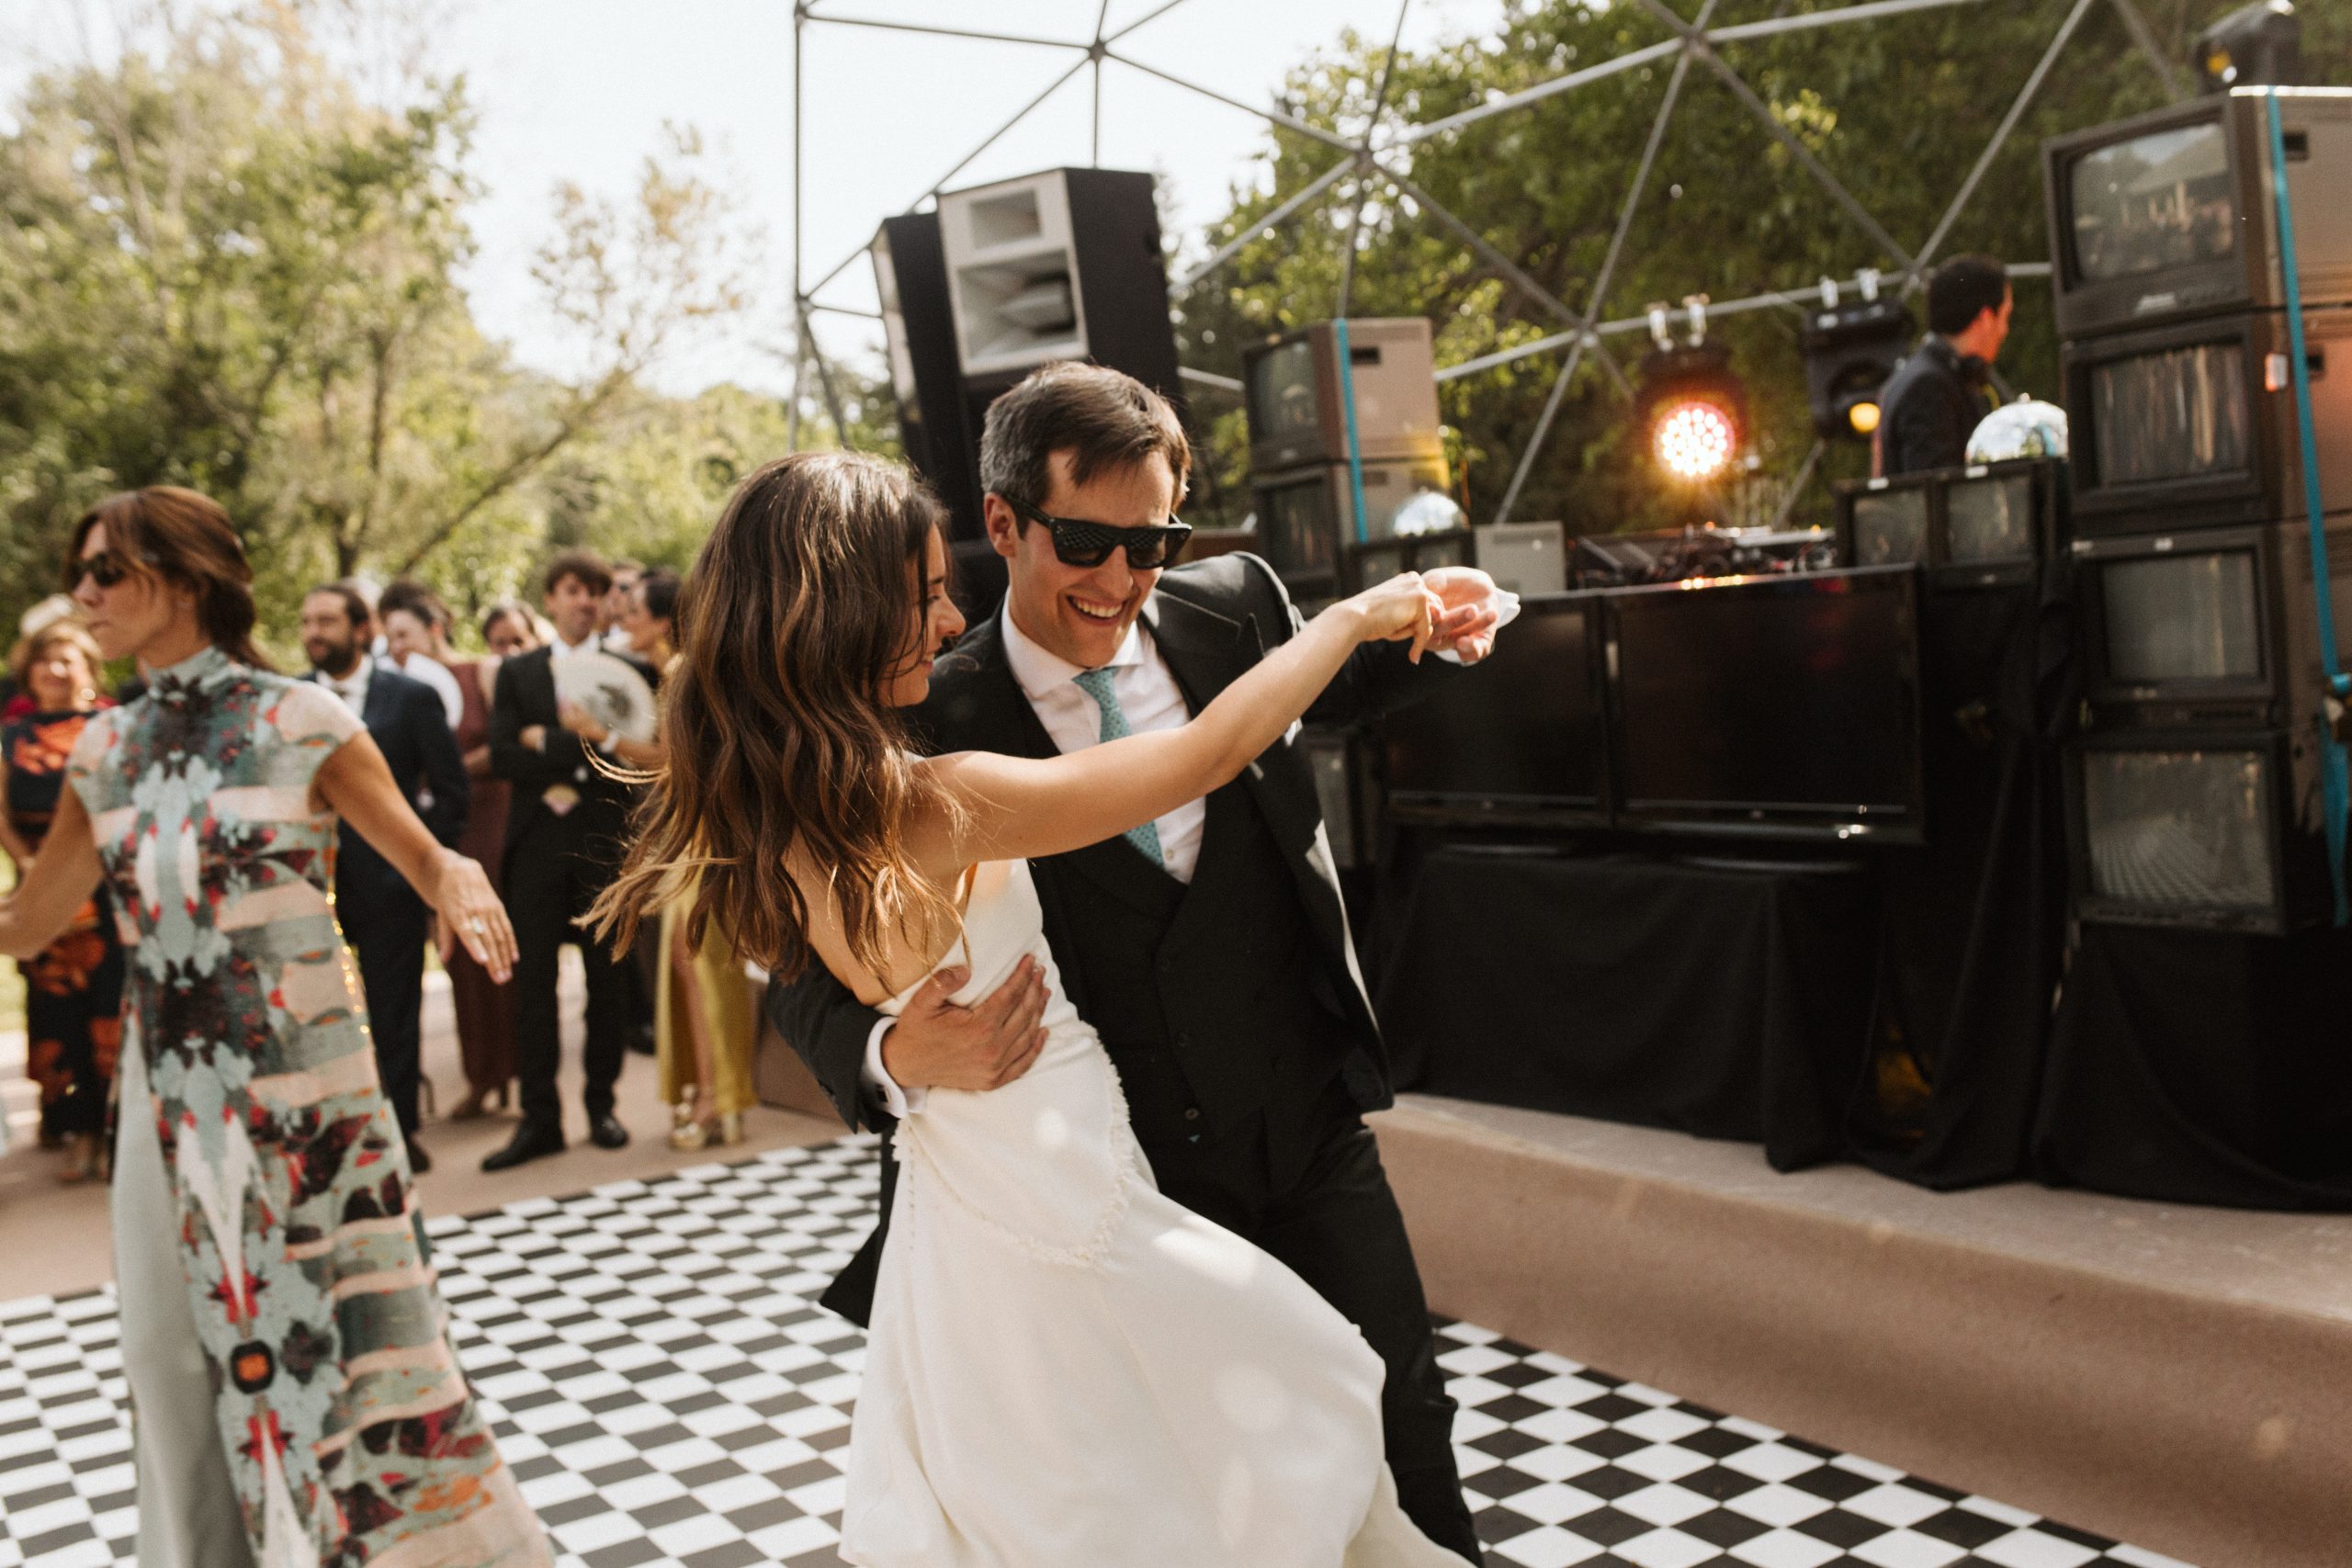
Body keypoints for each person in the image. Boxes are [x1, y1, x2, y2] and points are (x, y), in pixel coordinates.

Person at [592, 447, 1494, 1566]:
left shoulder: (773, 815)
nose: (948, 615)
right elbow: (1205, 753)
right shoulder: (934, 795)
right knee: (1286, 1442)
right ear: (843, 613)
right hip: (1070, 1202)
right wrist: (1355, 613)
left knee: (1105, 1502)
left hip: (975, 1216)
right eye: (924, 593)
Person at [0, 486, 545, 1568]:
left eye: (106, 570)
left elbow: (421, 850)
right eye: (81, 573)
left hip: (304, 1082)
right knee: (164, 1352)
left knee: (344, 1341)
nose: (84, 594)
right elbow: (29, 923)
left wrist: (456, 877)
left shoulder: (299, 718)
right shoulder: (103, 749)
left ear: (183, 578)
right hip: (166, 1087)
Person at [481, 550, 657, 1171]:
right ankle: (540, 1119)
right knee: (534, 989)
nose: (584, 601)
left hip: (603, 846)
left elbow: (639, 753)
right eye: (573, 589)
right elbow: (502, 754)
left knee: (606, 984)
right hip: (535, 848)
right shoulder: (518, 672)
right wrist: (574, 743)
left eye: (595, 591)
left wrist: (547, 741)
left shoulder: (629, 670)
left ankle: (601, 1106)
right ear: (552, 598)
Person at [300, 581, 468, 1171]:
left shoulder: (411, 697)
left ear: (361, 630)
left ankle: (398, 1133)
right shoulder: (294, 701)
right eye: (307, 622)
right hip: (310, 890)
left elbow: (450, 792)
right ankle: (334, 1132)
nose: (314, 633)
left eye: (326, 621)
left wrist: (422, 871)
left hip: (390, 888)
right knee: (320, 1013)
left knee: (394, 1012)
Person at [385, 581, 518, 1121]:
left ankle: (521, 1072)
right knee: (460, 955)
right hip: (444, 829)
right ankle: (481, 1075)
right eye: (389, 637)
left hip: (493, 821)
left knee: (504, 942)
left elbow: (506, 746)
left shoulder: (481, 672)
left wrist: (448, 769)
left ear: (434, 629)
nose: (395, 646)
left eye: (404, 634)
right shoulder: (399, 692)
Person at [0, 615, 123, 1180]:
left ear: (89, 669)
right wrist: (33, 867)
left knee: (110, 1005)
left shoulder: (113, 727)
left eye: (66, 659)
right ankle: (77, 1129)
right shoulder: (12, 736)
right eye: (44, 660)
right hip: (42, 890)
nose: (53, 670)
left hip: (107, 890)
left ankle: (116, 1132)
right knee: (57, 1010)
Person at [1877, 253, 2013, 476]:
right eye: (2005, 316)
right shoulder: (1929, 386)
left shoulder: (1925, 375)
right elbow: (1936, 488)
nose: (2005, 330)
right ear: (1986, 318)